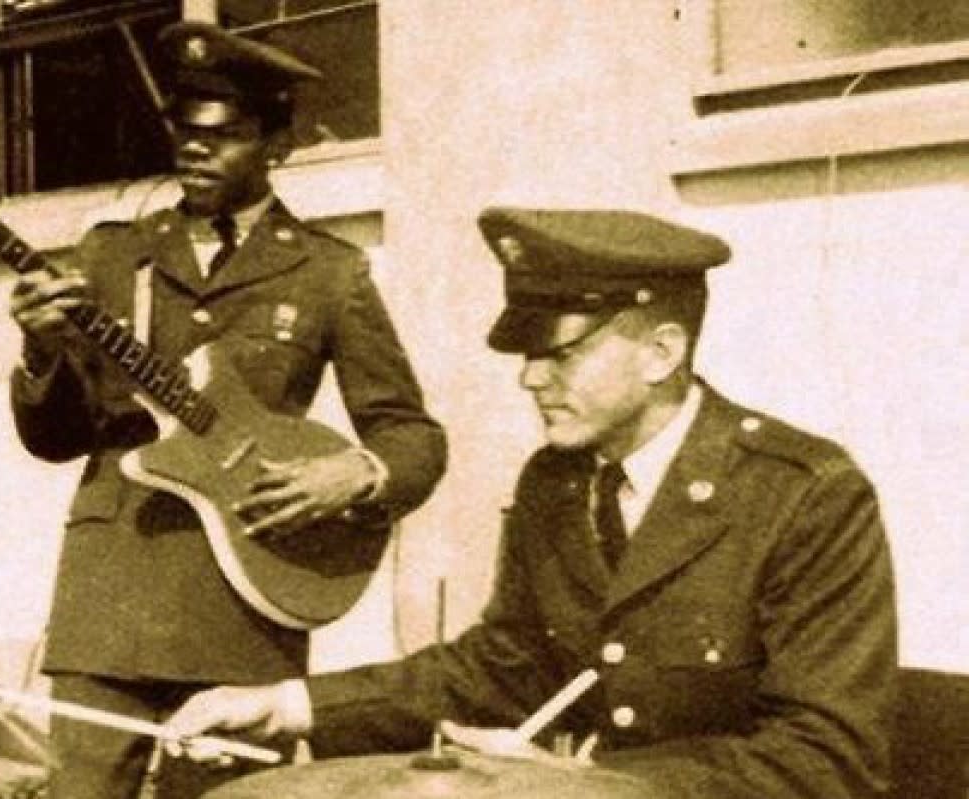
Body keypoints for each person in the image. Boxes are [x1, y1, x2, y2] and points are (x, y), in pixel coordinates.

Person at [162, 207, 899, 799]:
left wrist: (590, 783)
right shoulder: (556, 480)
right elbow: (501, 666)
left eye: (561, 354)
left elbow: (826, 757)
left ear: (662, 353)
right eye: (527, 355)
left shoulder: (805, 494)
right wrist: (288, 705)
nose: (531, 380)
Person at [7, 21, 447, 799]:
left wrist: (356, 471)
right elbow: (54, 439)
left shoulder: (327, 272)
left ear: (278, 144)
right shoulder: (115, 254)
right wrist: (40, 350)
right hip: (111, 596)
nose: (195, 150)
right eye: (185, 131)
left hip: (248, 600)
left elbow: (410, 434)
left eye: (224, 135)